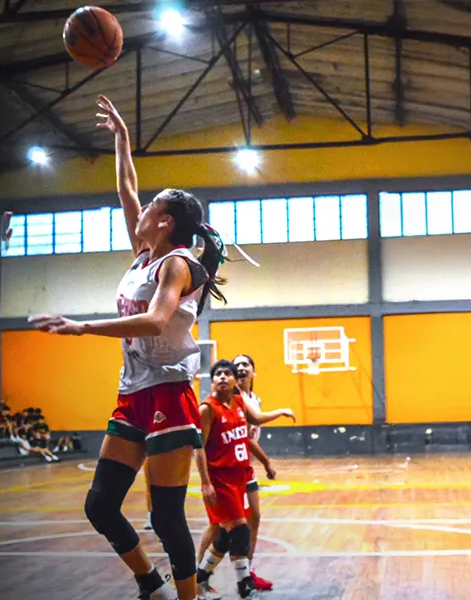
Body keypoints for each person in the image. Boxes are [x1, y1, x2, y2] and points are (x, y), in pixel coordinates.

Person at [28, 94, 229, 600]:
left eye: (150, 209)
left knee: (165, 516)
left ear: (164, 222)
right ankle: (149, 582)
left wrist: (82, 328)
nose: (138, 212)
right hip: (133, 392)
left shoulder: (176, 263)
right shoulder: (144, 254)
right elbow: (127, 189)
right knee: (101, 505)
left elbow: (158, 319)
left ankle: (188, 597)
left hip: (168, 393)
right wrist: (121, 139)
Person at [195, 360, 295, 600]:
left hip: (240, 478)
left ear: (233, 380)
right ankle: (245, 585)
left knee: (227, 537)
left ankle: (199, 578)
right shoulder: (207, 408)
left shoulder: (239, 402)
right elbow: (198, 449)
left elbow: (257, 419)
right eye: (217, 374)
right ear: (212, 381)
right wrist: (206, 483)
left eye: (226, 374)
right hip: (220, 480)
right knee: (240, 531)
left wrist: (279, 412)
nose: (222, 377)